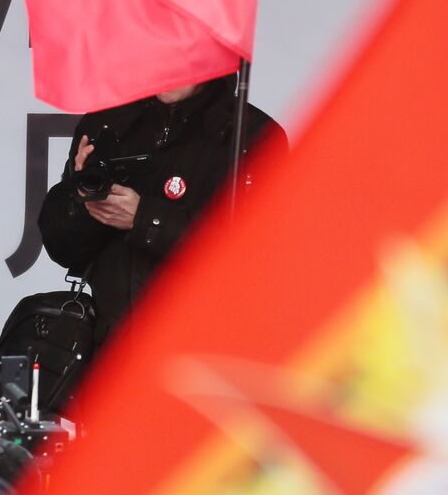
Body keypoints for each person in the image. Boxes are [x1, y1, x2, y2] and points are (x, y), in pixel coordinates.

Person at [38, 71, 286, 350]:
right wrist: (82, 199)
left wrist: (145, 219)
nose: (167, 69)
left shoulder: (252, 134)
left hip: (204, 352)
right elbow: (61, 247)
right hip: (112, 356)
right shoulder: (105, 123)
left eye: (181, 56)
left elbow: (255, 259)